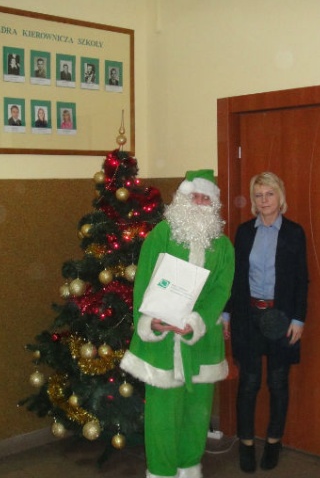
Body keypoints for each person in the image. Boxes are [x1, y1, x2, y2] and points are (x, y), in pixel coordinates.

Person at [120, 170, 235, 478]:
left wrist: (197, 322)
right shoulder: (162, 235)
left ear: (214, 203)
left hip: (201, 342)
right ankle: (161, 473)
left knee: (197, 415)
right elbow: (144, 281)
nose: (198, 202)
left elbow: (221, 291)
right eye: (193, 196)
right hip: (162, 343)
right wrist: (151, 320)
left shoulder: (223, 247)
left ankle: (189, 469)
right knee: (162, 418)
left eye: (205, 198)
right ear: (181, 199)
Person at [224, 171, 309, 473]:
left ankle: (274, 441)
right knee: (249, 382)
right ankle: (246, 444)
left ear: (280, 196)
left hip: (281, 317)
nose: (264, 200)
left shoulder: (294, 233)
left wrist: (298, 319)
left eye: (269, 194)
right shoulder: (245, 232)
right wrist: (226, 313)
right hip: (248, 315)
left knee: (277, 382)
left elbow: (301, 279)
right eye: (258, 195)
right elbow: (236, 277)